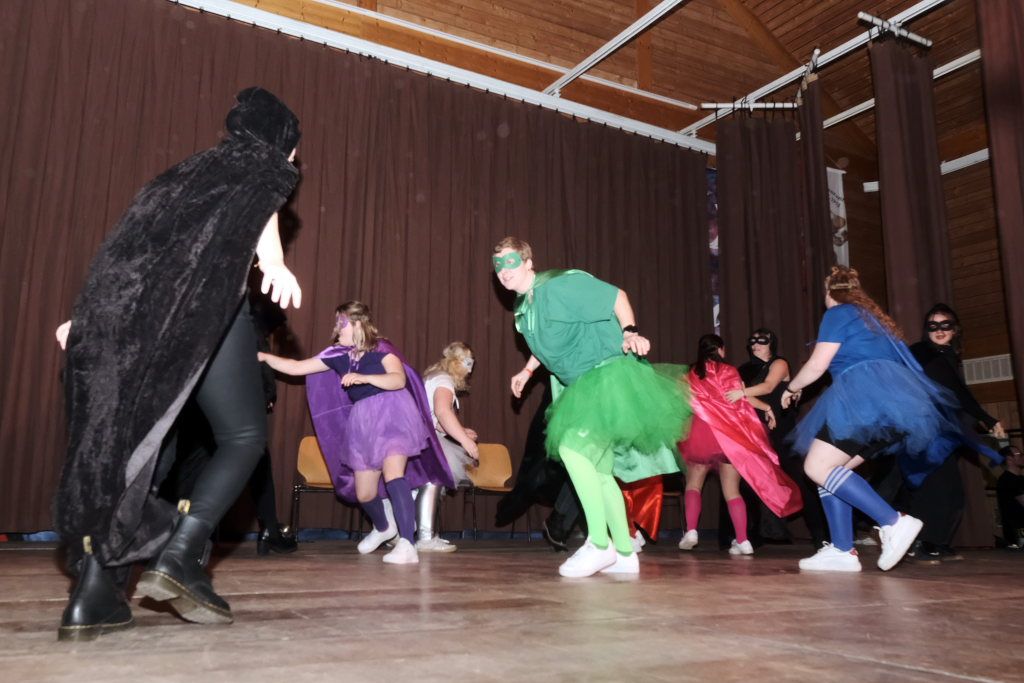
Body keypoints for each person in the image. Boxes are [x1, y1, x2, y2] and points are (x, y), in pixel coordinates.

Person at [53, 87, 303, 641]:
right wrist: (274, 261)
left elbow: (125, 250)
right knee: (242, 436)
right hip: (203, 310)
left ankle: (93, 594)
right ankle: (181, 554)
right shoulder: (257, 165)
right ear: (278, 138)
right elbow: (262, 198)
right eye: (293, 150)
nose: (294, 162)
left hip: (136, 321)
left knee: (136, 451)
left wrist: (89, 318)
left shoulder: (174, 178)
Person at [493, 237, 689, 577]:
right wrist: (527, 371)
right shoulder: (525, 308)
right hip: (580, 386)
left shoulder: (558, 285)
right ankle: (625, 553)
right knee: (599, 470)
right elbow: (547, 343)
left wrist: (629, 332)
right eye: (498, 266)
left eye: (510, 262)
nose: (504, 271)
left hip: (605, 376)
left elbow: (617, 297)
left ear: (528, 262)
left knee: (573, 450)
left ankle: (599, 544)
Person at [783, 266, 1001, 573]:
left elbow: (818, 365)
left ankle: (893, 522)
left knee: (816, 467)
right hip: (893, 411)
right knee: (831, 472)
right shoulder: (875, 321)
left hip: (863, 401)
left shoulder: (838, 312)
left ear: (830, 292)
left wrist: (791, 388)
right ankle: (842, 550)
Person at [259, 301, 453, 565]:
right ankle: (385, 526)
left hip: (393, 413)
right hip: (364, 421)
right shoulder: (338, 354)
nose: (336, 328)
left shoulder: (382, 347)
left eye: (341, 322)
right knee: (364, 494)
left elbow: (398, 379)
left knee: (394, 474)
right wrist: (263, 357)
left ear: (358, 323)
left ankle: (407, 544)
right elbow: (296, 367)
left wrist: (366, 378)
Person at [678, 335, 802, 555]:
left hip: (700, 433)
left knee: (694, 485)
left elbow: (683, 403)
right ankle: (743, 541)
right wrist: (766, 408)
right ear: (721, 350)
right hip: (729, 436)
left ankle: (691, 531)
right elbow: (742, 399)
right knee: (732, 490)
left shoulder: (690, 373)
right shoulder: (729, 371)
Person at [906, 303, 1007, 561]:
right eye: (933, 326)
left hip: (943, 432)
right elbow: (957, 392)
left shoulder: (948, 356)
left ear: (955, 330)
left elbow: (956, 394)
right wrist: (986, 418)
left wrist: (983, 419)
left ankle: (937, 541)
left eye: (945, 325)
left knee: (952, 490)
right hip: (924, 429)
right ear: (926, 330)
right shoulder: (922, 351)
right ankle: (923, 542)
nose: (939, 330)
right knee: (935, 486)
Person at [734, 328, 829, 549]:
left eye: (762, 341)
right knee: (750, 483)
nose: (756, 344)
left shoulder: (779, 363)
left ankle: (821, 535)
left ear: (771, 344)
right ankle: (751, 536)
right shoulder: (745, 369)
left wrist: (742, 392)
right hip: (756, 431)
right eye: (752, 341)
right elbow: (742, 399)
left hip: (781, 430)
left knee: (800, 480)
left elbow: (768, 386)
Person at [416, 342, 480, 553]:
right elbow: (442, 412)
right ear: (457, 363)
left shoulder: (435, 376)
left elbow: (435, 419)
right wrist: (465, 441)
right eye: (468, 364)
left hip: (419, 434)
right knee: (433, 481)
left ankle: (420, 533)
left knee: (426, 483)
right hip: (424, 438)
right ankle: (425, 537)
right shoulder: (444, 381)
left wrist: (460, 431)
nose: (469, 371)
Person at [997, 445, 1024, 549]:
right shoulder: (1007, 480)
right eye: (1019, 454)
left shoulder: (1020, 479)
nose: (1022, 457)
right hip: (1018, 531)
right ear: (1009, 459)